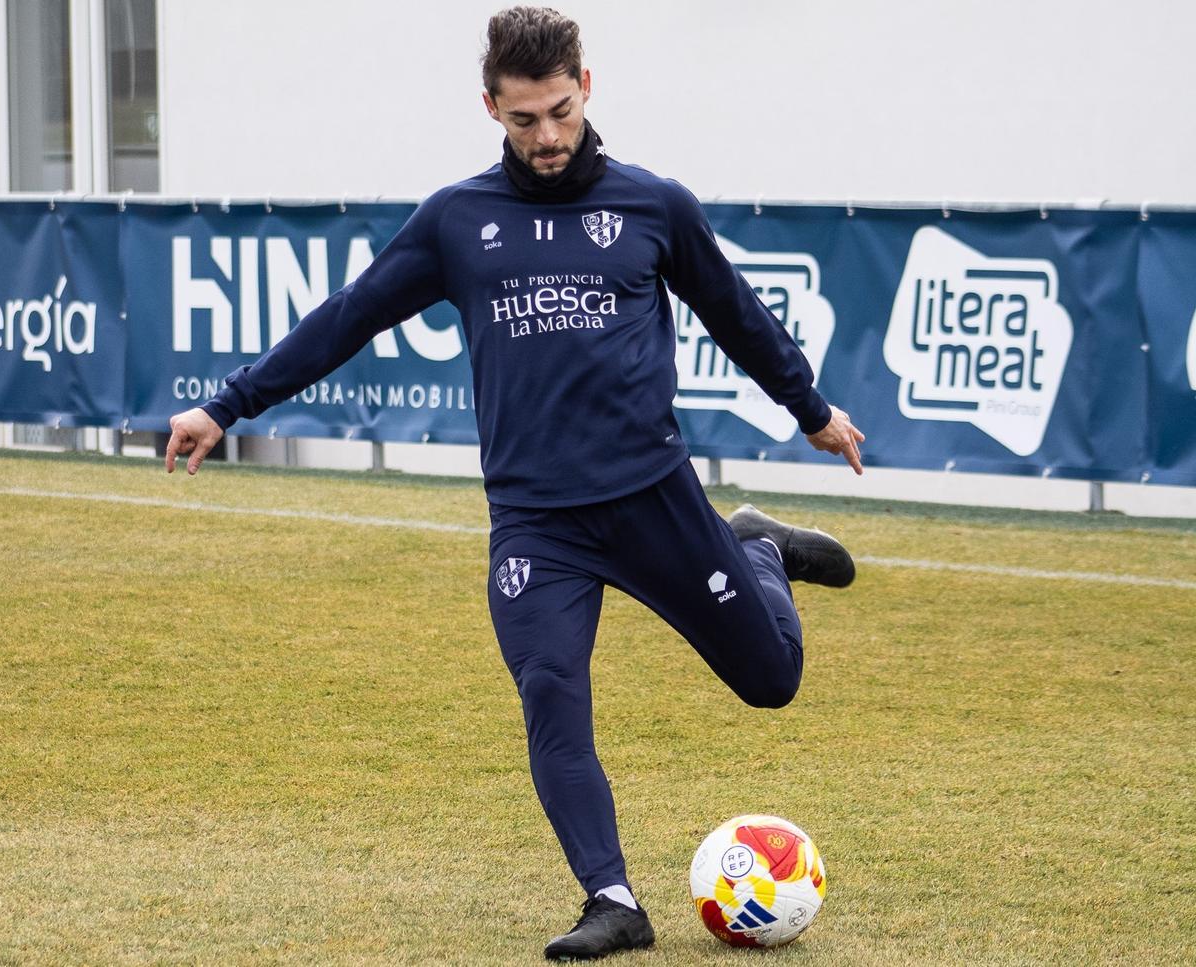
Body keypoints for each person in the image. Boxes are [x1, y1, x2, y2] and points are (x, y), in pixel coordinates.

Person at [165, 6, 865, 960]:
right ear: (490, 106)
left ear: (589, 88)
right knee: (549, 688)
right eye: (524, 118)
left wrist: (812, 410)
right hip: (537, 523)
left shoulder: (655, 206)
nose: (546, 137)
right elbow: (346, 318)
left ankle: (758, 548)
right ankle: (612, 898)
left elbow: (739, 316)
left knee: (772, 681)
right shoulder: (458, 221)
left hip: (654, 500)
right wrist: (228, 404)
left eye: (561, 112)